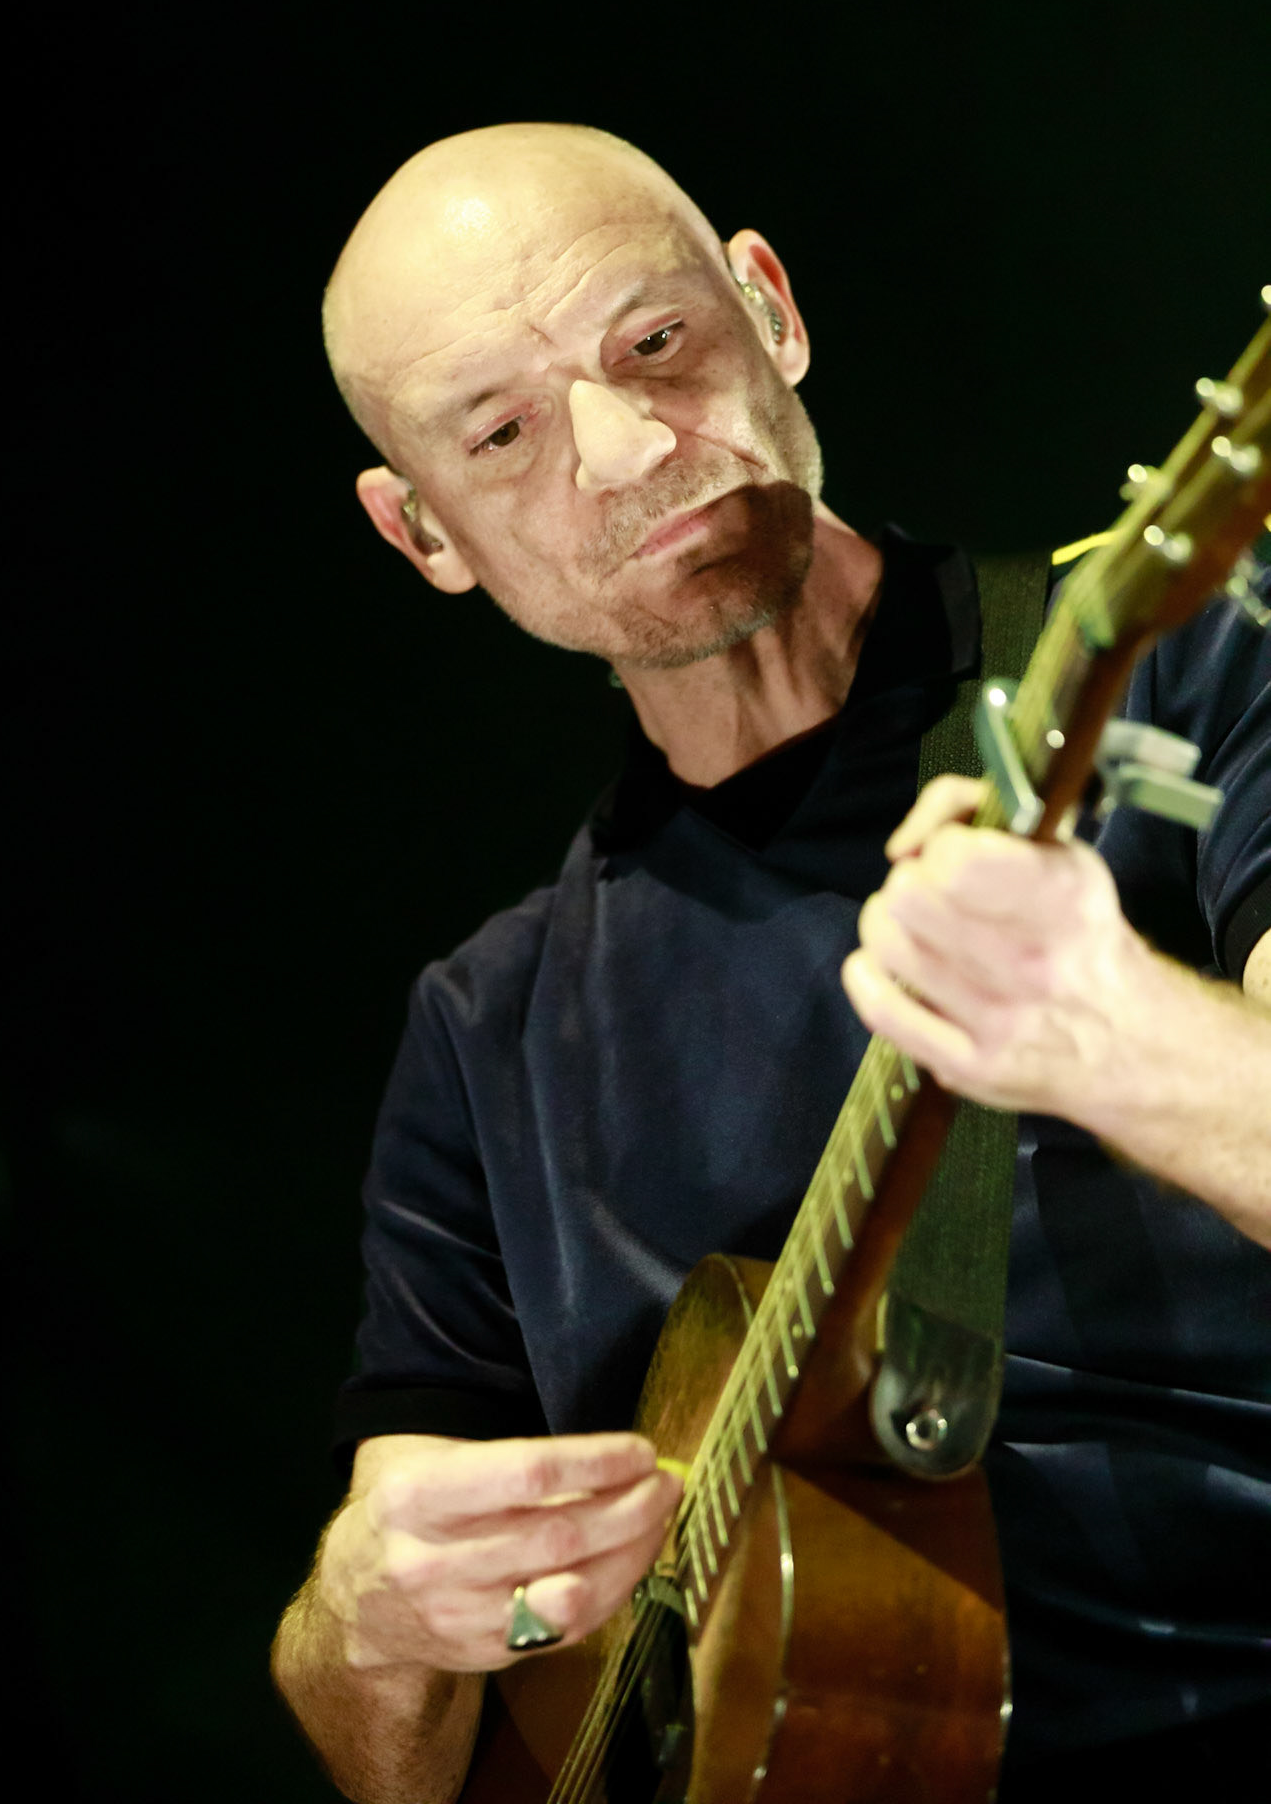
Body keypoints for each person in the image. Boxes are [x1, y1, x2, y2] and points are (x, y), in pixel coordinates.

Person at [271, 123, 1271, 1804]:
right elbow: (400, 1766)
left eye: (652, 343)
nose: (616, 450)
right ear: (420, 532)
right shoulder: (484, 1027)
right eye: (499, 434)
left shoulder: (1179, 664)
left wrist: (1108, 1037)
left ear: (768, 312)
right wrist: (366, 1619)